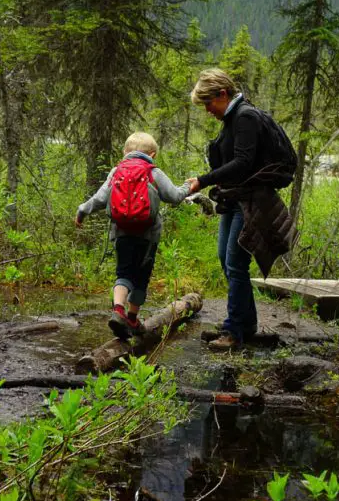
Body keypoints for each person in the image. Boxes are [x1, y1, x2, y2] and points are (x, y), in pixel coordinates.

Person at [187, 69, 297, 352]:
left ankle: (234, 331)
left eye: (208, 103)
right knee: (226, 260)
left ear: (222, 94)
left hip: (250, 202)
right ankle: (244, 325)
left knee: (235, 263)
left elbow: (243, 163)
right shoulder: (232, 119)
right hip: (235, 200)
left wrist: (203, 180)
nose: (208, 110)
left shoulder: (245, 117)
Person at [76, 132, 191, 339]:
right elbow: (174, 197)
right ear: (153, 154)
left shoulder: (116, 171)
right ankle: (132, 318)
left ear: (125, 152)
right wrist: (188, 186)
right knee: (141, 276)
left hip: (121, 233)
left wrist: (83, 210)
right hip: (148, 236)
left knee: (124, 273)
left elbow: (101, 198)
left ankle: (117, 310)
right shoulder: (153, 172)